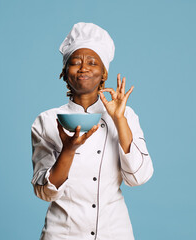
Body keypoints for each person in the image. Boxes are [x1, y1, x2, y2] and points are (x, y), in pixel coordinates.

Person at [31, 22, 154, 240]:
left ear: (103, 71)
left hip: (115, 232)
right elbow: (45, 192)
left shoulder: (126, 115)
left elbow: (139, 177)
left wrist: (119, 120)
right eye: (75, 62)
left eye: (92, 62)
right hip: (62, 234)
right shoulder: (48, 121)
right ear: (64, 72)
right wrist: (68, 150)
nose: (84, 68)